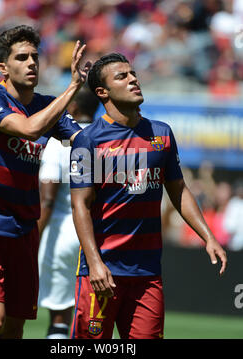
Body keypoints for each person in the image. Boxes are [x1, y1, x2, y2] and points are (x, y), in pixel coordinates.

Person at [69, 53, 227, 339]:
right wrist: (94, 263)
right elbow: (80, 204)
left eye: (133, 74)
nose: (133, 80)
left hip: (148, 273)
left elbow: (178, 190)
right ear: (102, 92)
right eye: (122, 76)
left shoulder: (162, 134)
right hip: (103, 271)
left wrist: (208, 236)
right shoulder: (87, 139)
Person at [0, 25, 91, 339]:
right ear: (3, 67)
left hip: (23, 229)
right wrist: (72, 88)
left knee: (15, 329)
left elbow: (85, 139)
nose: (31, 63)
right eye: (22, 57)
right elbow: (29, 129)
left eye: (34, 57)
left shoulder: (45, 104)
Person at [37, 86, 99, 339]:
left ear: (72, 108)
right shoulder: (105, 138)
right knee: (93, 316)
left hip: (62, 234)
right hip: (96, 237)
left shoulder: (59, 142)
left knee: (59, 317)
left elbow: (47, 199)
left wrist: (33, 239)